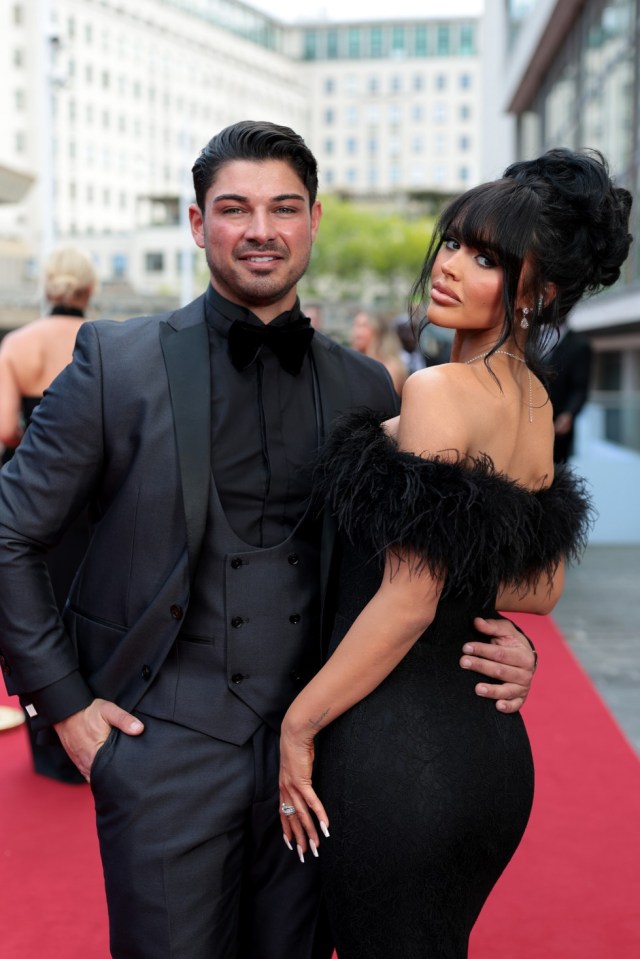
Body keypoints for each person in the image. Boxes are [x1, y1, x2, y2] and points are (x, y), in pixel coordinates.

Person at [0, 121, 538, 959]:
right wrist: (66, 710)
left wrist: (503, 643)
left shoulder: (367, 385)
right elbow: (9, 535)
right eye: (235, 208)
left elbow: (427, 559)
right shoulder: (117, 361)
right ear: (195, 223)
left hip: (325, 764)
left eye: (284, 207)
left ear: (314, 220)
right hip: (160, 755)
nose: (261, 229)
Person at [279, 148, 631, 958]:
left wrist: (298, 727)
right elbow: (540, 584)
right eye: (454, 242)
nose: (448, 266)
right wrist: (478, 603)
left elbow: (409, 595)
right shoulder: (533, 398)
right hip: (489, 756)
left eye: (487, 258)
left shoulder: (437, 392)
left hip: (402, 756)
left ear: (537, 292)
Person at [0, 244, 98, 784]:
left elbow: (2, 428)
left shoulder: (17, 344)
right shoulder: (109, 342)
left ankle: (51, 740)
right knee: (94, 601)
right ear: (88, 291)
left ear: (48, 289)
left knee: (33, 606)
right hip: (94, 501)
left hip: (31, 499)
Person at [546, 320, 593, 462]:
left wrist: (569, 414)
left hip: (557, 424)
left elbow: (580, 387)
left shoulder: (579, 345)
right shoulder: (526, 338)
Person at [350, 308, 408, 394]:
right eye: (356, 325)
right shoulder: (351, 363)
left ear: (378, 330)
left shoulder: (389, 368)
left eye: (364, 326)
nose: (357, 332)